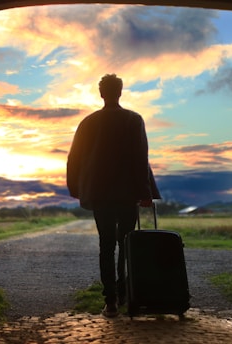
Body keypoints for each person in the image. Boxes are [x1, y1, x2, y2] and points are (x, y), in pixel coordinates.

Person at [66, 74, 160, 318]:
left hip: (100, 194)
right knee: (126, 244)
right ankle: (124, 294)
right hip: (128, 194)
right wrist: (145, 193)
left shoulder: (88, 123)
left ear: (101, 94)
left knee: (105, 245)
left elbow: (74, 158)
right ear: (120, 92)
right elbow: (141, 158)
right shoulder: (133, 119)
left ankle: (110, 303)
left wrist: (77, 189)